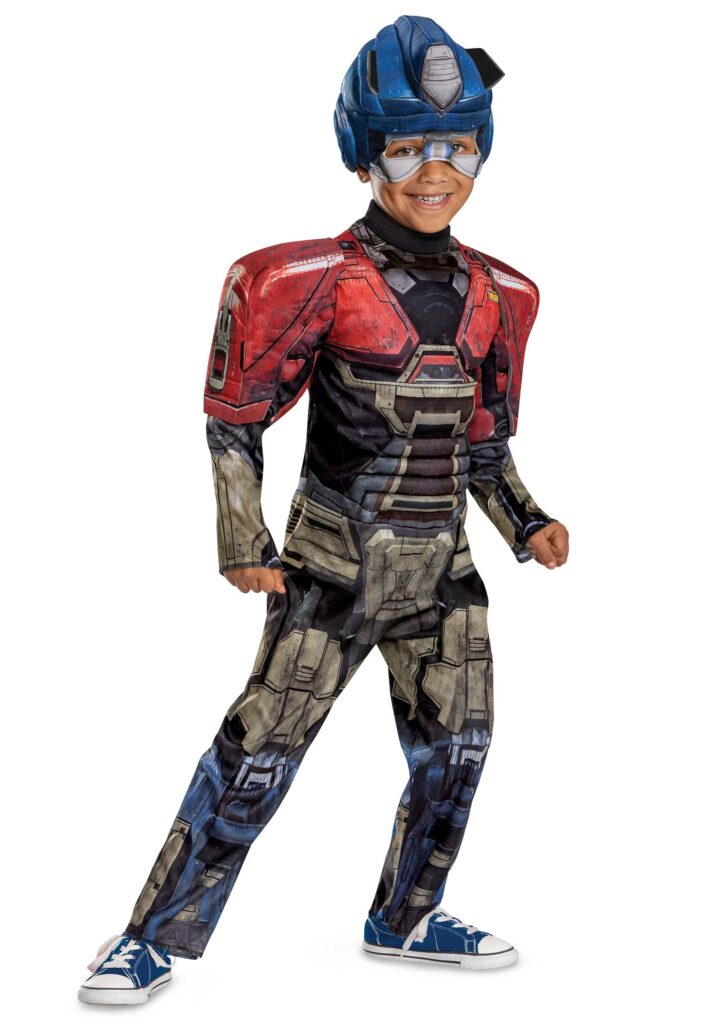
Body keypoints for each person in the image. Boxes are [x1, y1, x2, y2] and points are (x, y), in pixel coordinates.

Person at [77, 14, 569, 1004]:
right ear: (363, 153)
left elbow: (482, 441)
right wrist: (243, 539)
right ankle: (150, 938)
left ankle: (407, 915)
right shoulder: (304, 282)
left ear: (482, 148)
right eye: (407, 148)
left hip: (444, 573)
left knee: (458, 752)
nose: (436, 170)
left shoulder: (502, 294)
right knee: (258, 752)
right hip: (331, 569)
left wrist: (524, 520)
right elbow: (234, 419)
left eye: (456, 145)